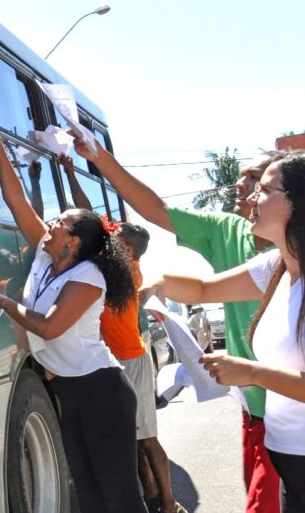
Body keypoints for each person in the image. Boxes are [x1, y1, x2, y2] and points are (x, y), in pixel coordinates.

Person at [67, 130, 285, 512]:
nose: (243, 187)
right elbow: (161, 217)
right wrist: (100, 159)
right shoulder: (236, 238)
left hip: (289, 407)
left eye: (257, 181)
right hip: (256, 408)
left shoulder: (286, 259)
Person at [0, 101, 146, 512]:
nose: (49, 225)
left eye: (59, 224)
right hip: (71, 390)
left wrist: (7, 304)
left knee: (119, 495)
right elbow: (15, 197)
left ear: (73, 243)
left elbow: (50, 328)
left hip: (101, 390)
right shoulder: (44, 256)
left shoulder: (86, 277)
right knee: (88, 492)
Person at [146, 151, 305, 512]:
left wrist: (249, 372)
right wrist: (154, 281)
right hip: (288, 458)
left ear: (295, 202)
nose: (251, 197)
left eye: (264, 189)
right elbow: (203, 289)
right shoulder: (276, 266)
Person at [101, 223, 185, 513]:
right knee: (132, 437)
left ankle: (170, 504)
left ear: (128, 249)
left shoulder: (129, 272)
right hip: (115, 358)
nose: (109, 240)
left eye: (116, 238)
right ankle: (151, 495)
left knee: (147, 437)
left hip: (131, 359)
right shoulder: (118, 267)